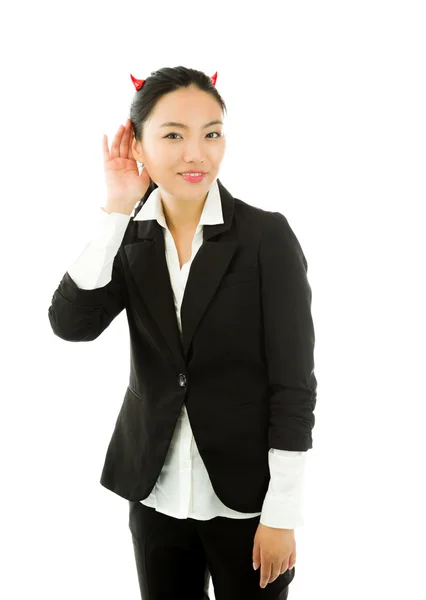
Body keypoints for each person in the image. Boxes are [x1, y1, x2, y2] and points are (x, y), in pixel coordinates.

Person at [48, 65, 317, 599]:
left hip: (247, 501)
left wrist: (282, 514)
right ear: (139, 145)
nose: (197, 153)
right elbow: (70, 325)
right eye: (173, 135)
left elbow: (294, 387)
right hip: (154, 495)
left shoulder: (266, 237)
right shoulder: (129, 238)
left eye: (211, 133)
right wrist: (118, 206)